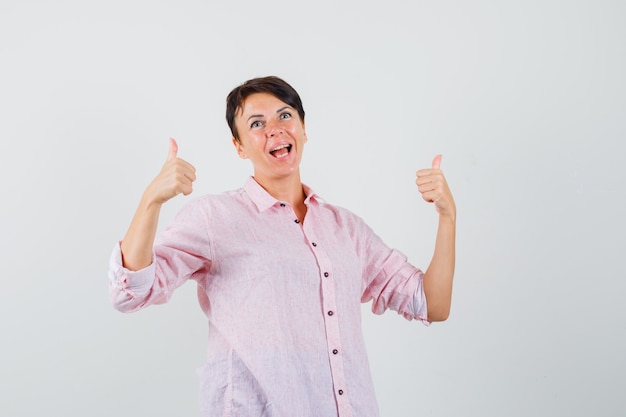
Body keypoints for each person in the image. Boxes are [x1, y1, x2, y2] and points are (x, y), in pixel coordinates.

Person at [108, 76, 456, 417]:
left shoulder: (346, 229)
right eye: (256, 123)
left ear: (304, 129)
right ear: (239, 146)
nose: (274, 128)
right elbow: (131, 292)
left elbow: (431, 303)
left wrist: (447, 217)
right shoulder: (215, 218)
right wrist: (151, 200)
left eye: (285, 115)